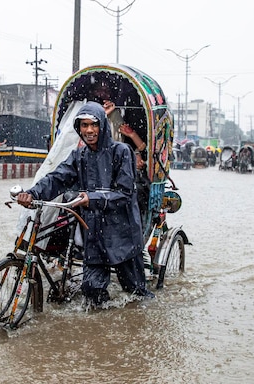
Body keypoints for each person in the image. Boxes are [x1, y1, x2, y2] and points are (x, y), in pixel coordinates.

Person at [16, 101, 153, 306]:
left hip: (122, 233)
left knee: (136, 294)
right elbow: (57, 179)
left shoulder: (121, 151)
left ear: (103, 126)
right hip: (94, 232)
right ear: (78, 128)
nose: (89, 130)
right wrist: (32, 193)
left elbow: (125, 194)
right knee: (92, 292)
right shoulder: (79, 155)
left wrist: (93, 199)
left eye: (94, 125)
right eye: (84, 125)